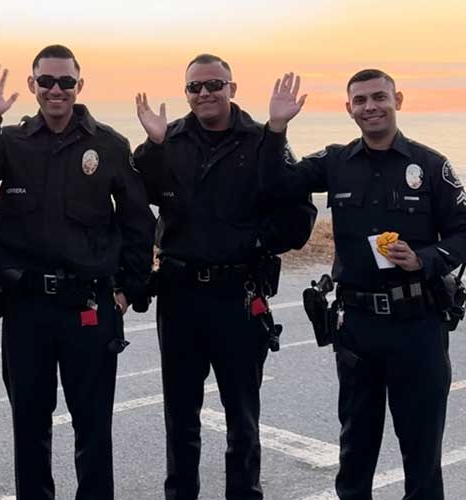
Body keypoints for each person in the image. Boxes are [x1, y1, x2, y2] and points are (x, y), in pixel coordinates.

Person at [0, 45, 155, 500]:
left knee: (93, 427)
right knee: (29, 426)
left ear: (79, 86)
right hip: (27, 310)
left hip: (89, 308)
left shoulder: (108, 145)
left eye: (66, 81)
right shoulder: (10, 142)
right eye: (46, 81)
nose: (56, 90)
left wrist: (128, 291)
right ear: (32, 85)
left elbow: (138, 222)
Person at [263, 69, 466, 500]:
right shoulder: (335, 162)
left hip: (418, 326)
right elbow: (278, 184)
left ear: (398, 100)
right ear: (349, 108)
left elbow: (463, 233)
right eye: (360, 100)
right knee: (355, 450)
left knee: (421, 453)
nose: (370, 107)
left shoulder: (431, 166)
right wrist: (277, 128)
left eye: (379, 97)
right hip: (357, 327)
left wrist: (425, 259)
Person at [133, 54, 315, 500]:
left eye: (214, 84)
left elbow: (298, 216)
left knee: (242, 416)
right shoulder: (170, 139)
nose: (204, 93)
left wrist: (255, 242)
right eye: (194, 87)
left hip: (239, 295)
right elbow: (136, 196)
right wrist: (152, 145)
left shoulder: (263, 140)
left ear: (232, 88)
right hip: (179, 296)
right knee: (180, 415)